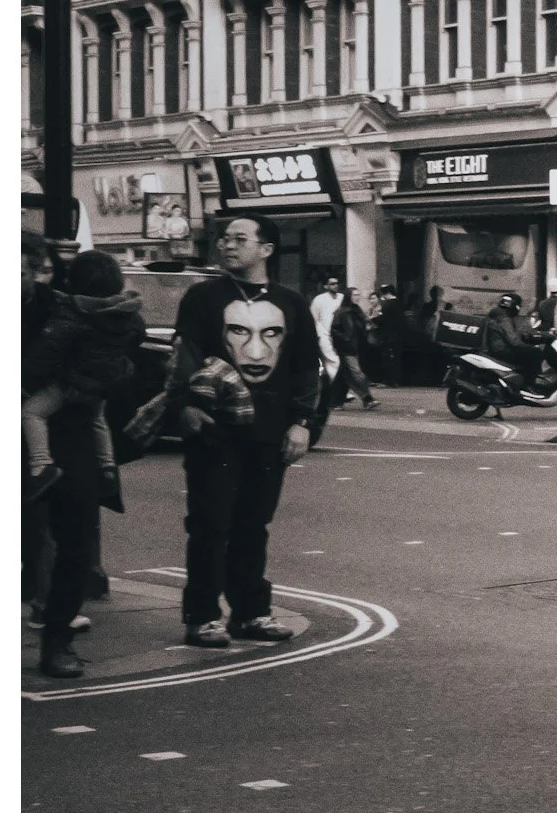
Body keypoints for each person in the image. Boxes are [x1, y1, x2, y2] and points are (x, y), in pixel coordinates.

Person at [163, 215, 321, 649]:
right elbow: (183, 358)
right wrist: (184, 408)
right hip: (215, 430)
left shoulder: (291, 303)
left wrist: (301, 422)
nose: (227, 246)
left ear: (266, 249)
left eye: (239, 239)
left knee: (253, 525)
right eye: (224, 239)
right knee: (210, 525)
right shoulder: (202, 298)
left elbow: (307, 367)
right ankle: (203, 616)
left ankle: (251, 612)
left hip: (269, 432)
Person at [21, 249, 143, 503]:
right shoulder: (127, 314)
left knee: (32, 412)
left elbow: (48, 349)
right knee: (98, 419)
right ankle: (107, 465)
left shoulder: (73, 313)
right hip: (102, 384)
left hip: (71, 381)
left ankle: (42, 464)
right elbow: (135, 341)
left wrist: (25, 382)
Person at [328, 285, 380, 410]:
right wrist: (345, 340)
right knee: (357, 374)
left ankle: (336, 402)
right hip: (347, 348)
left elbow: (363, 326)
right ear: (349, 297)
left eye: (358, 295)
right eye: (355, 295)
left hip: (356, 347)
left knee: (344, 376)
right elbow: (334, 330)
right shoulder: (341, 313)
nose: (357, 297)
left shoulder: (356, 311)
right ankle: (367, 398)